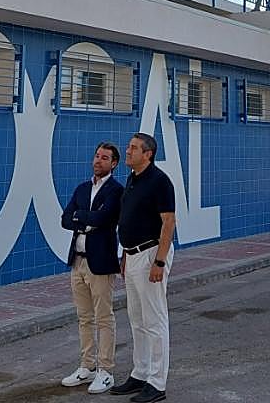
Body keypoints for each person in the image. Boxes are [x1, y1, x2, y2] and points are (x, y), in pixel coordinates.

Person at [110, 133, 175, 403]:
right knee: (137, 318)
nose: (127, 151)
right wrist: (125, 255)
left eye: (133, 148)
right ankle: (141, 373)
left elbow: (169, 223)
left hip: (151, 255)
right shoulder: (133, 180)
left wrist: (159, 261)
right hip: (133, 255)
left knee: (154, 320)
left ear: (148, 154)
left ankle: (157, 382)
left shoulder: (160, 182)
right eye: (128, 147)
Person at [60, 142, 124, 394]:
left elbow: (103, 218)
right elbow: (66, 219)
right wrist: (85, 217)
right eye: (97, 156)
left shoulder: (115, 191)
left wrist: (81, 216)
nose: (98, 161)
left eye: (105, 158)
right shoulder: (82, 188)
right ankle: (86, 366)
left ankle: (105, 370)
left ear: (114, 163)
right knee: (84, 317)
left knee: (103, 317)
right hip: (78, 260)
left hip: (101, 263)